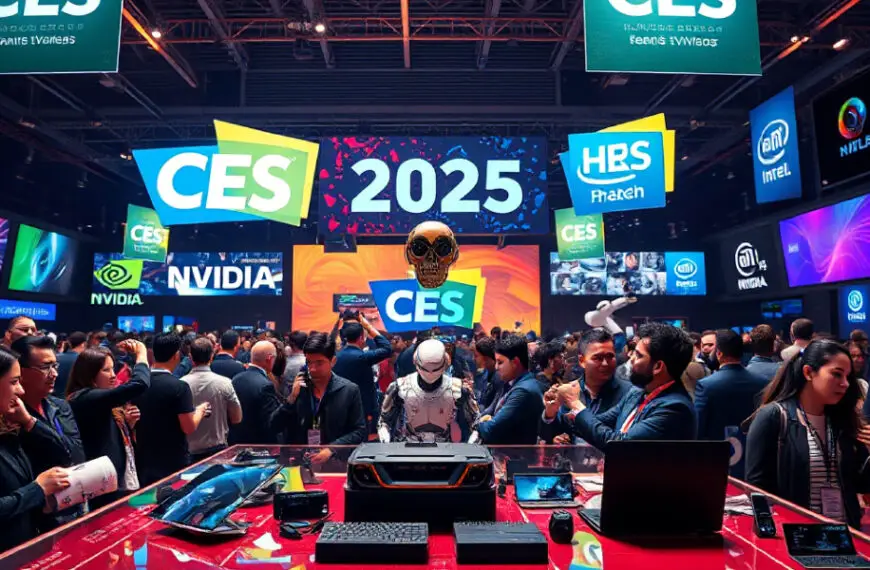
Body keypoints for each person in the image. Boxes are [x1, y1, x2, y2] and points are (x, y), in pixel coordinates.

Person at [747, 340, 870, 528]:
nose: (845, 384)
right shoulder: (773, 416)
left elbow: (860, 484)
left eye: (847, 377)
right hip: (797, 538)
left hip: (845, 536)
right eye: (837, 374)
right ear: (808, 372)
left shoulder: (843, 421)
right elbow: (757, 489)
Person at [552, 323, 697, 451]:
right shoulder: (638, 392)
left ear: (658, 366)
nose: (631, 358)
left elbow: (619, 445)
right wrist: (553, 410)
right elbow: (599, 422)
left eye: (639, 356)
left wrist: (575, 402)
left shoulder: (675, 408)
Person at [0, 345, 72, 552]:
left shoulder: (10, 424)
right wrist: (38, 490)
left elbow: (62, 453)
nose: (20, 390)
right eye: (14, 382)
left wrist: (28, 421)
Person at [12, 336, 86, 528]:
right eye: (45, 367)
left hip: (73, 506)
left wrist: (32, 424)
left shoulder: (59, 406)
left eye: (55, 366)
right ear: (21, 372)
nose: (54, 374)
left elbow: (75, 455)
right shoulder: (9, 415)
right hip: (34, 515)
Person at [67, 340, 149, 509]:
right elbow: (140, 384)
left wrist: (128, 424)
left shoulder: (99, 397)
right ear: (89, 374)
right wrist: (141, 354)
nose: (113, 375)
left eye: (113, 368)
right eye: (106, 370)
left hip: (111, 479)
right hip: (98, 483)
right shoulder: (84, 398)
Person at [270, 333, 366, 462]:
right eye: (309, 362)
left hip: (335, 462)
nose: (313, 369)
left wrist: (332, 449)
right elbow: (274, 426)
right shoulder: (299, 388)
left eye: (319, 363)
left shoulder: (349, 390)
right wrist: (291, 399)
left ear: (333, 361)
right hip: (300, 462)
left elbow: (358, 431)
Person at [133, 333, 209, 486]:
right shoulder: (179, 387)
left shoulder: (138, 384)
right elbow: (188, 427)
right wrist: (200, 411)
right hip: (172, 461)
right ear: (176, 355)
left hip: (143, 459)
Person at [541, 328, 633, 444]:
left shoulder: (629, 393)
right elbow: (548, 434)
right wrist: (550, 413)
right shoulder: (569, 390)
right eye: (598, 358)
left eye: (610, 356)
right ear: (582, 361)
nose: (605, 363)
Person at [378, 339, 479, 443]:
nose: (430, 374)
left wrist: (472, 443)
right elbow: (384, 422)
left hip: (443, 449)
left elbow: (476, 423)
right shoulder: (399, 387)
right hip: (410, 446)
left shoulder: (459, 389)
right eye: (427, 370)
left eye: (434, 370)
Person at [694, 330, 768, 451]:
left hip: (717, 455)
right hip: (752, 452)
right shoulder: (762, 382)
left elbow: (699, 427)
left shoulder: (706, 385)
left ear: (719, 353)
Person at [472, 334, 544, 445]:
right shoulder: (510, 383)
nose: (496, 367)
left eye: (500, 362)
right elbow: (489, 413)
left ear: (515, 362)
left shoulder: (523, 391)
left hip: (517, 459)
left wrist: (479, 424)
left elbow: (490, 430)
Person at [182, 337, 243, 463]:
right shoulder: (225, 383)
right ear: (211, 356)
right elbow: (237, 418)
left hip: (189, 452)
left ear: (190, 357)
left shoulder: (181, 384)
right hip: (218, 451)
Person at [332, 316, 391, 434]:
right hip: (362, 408)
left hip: (339, 406)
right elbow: (386, 347)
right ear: (361, 338)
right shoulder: (363, 357)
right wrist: (367, 325)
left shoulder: (336, 357)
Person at [231, 341, 280, 444]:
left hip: (236, 443)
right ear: (270, 359)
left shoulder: (235, 379)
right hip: (259, 446)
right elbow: (271, 423)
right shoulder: (266, 385)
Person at [472, 336, 502, 412]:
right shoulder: (486, 372)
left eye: (476, 356)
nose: (473, 359)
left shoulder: (499, 378)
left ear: (486, 359)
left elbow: (493, 409)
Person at [54, 331, 86, 397]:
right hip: (74, 400)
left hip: (53, 399)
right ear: (83, 344)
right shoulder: (84, 360)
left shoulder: (55, 357)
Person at [281, 331, 308, 398]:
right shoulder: (306, 360)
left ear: (293, 344)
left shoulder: (294, 363)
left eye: (288, 342)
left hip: (293, 400)